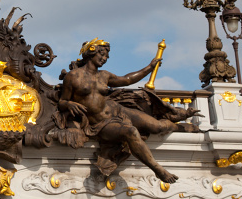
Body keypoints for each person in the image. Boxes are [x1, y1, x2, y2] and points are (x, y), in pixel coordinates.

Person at [57, 38, 199, 183]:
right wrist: (68, 104)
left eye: (106, 56)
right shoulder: (73, 77)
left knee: (157, 126)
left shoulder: (104, 75)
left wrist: (149, 67)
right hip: (101, 124)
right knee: (130, 132)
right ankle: (158, 170)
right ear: (91, 52)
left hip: (118, 110)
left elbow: (127, 79)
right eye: (102, 54)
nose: (104, 59)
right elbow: (61, 102)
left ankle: (179, 126)